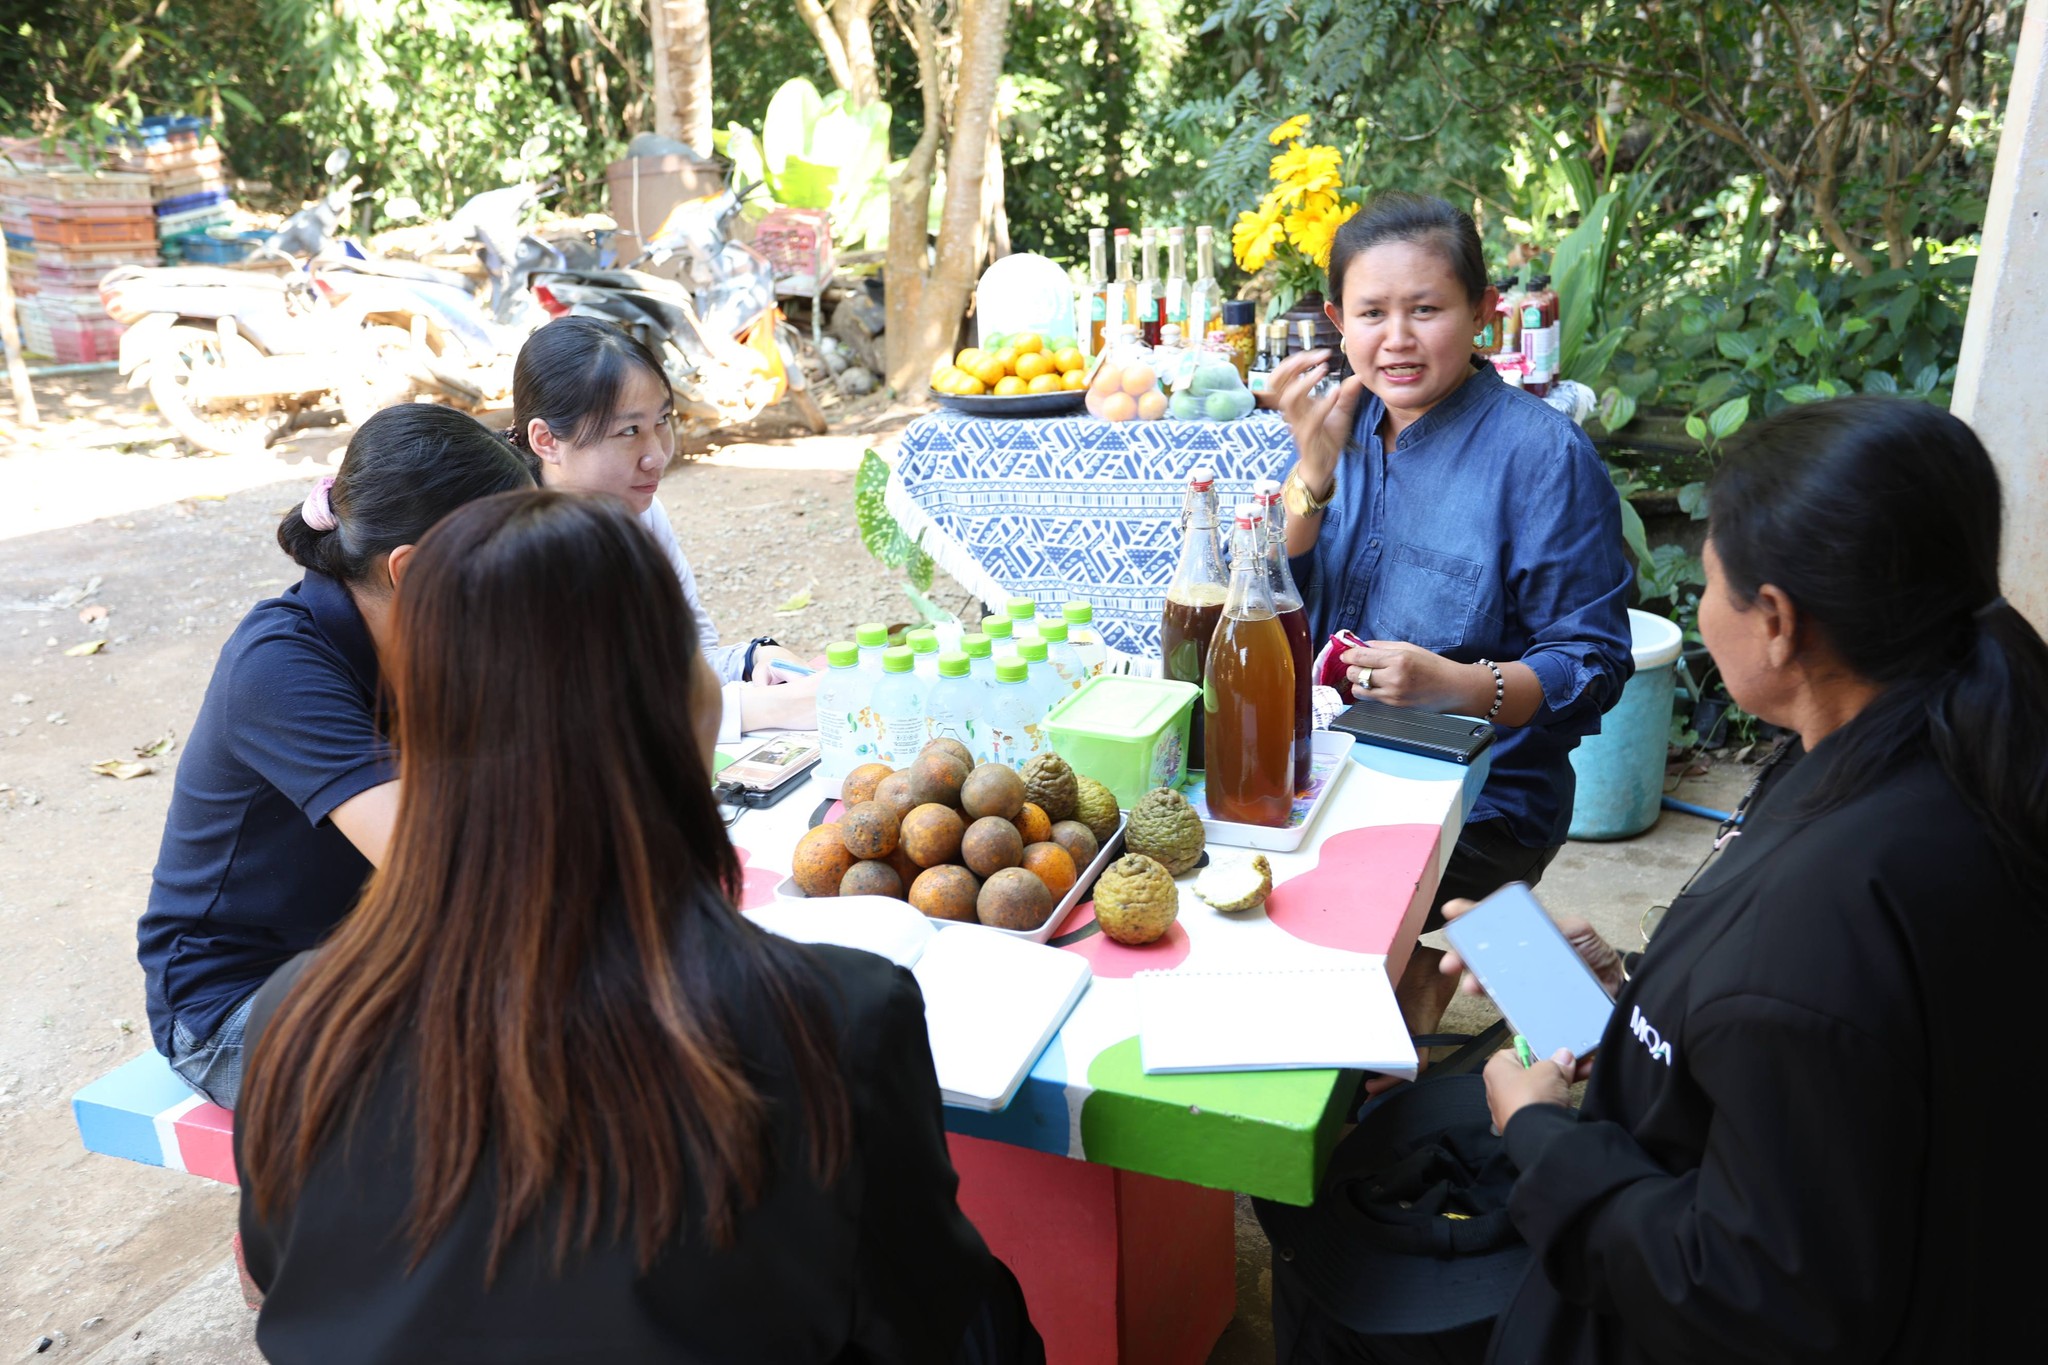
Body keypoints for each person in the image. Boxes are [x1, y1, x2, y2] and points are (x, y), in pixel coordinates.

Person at [1302, 396, 2041, 1363]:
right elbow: (1783, 1077)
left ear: (1775, 621)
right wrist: (1625, 993)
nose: (1700, 614)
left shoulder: (1833, 916)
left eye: (1707, 585)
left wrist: (1537, 1132)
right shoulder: (1927, 763)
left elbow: (1745, 1285)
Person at [234, 490, 1041, 1363]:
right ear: (678, 709)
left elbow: (280, 1283)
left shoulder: (295, 1016)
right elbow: (931, 1314)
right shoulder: (831, 1019)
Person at [1271, 193, 1633, 1030]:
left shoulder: (1542, 455)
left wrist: (1461, 685)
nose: (1396, 338)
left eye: (1426, 309)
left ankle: (1577, 1025)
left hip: (1489, 792)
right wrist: (1313, 475)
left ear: (1482, 313)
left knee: (1557, 1038)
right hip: (1339, 766)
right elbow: (1274, 603)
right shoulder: (1340, 423)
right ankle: (1427, 971)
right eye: (1371, 313)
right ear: (1335, 319)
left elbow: (1594, 662)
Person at [136, 405, 535, 1110]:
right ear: (413, 570)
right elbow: (446, 859)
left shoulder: (436, 635)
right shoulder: (279, 667)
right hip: (237, 1004)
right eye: (513, 564)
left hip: (375, 956)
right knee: (523, 1068)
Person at [507, 315, 817, 740]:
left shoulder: (642, 514)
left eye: (663, 421)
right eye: (629, 430)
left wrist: (753, 659)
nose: (656, 455)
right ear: (546, 440)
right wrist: (751, 708)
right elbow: (571, 718)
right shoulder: (508, 549)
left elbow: (687, 658)